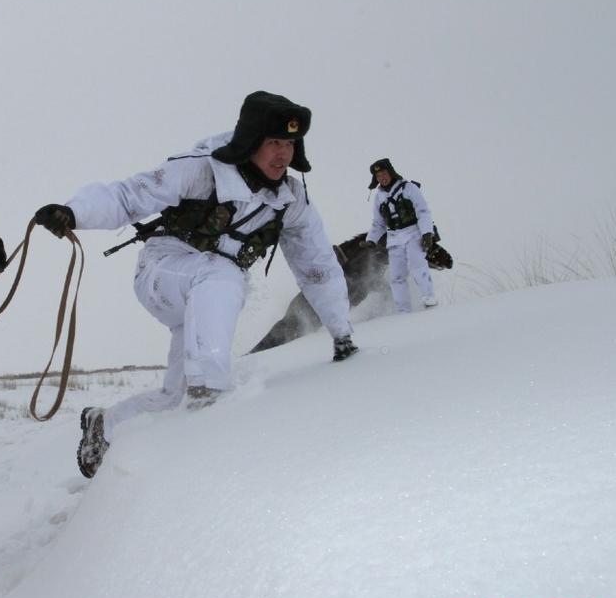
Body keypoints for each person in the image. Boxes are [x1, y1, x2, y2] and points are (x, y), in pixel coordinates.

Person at [35, 91, 356, 478]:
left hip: (206, 297)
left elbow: (316, 264)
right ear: (252, 140)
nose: (282, 154)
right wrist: (74, 213)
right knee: (223, 276)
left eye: (289, 144)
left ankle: (106, 423)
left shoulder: (291, 200)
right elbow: (129, 195)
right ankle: (212, 399)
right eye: (273, 142)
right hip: (162, 272)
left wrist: (341, 332)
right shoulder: (202, 170)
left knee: (173, 397)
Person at [361, 158, 438, 313]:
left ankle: (429, 298)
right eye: (378, 176)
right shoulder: (379, 197)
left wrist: (427, 233)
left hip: (413, 233)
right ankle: (403, 309)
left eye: (383, 173)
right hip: (394, 238)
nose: (382, 177)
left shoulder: (408, 188)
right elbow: (378, 223)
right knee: (397, 277)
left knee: (418, 266)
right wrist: (371, 240)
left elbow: (423, 211)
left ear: (390, 172)